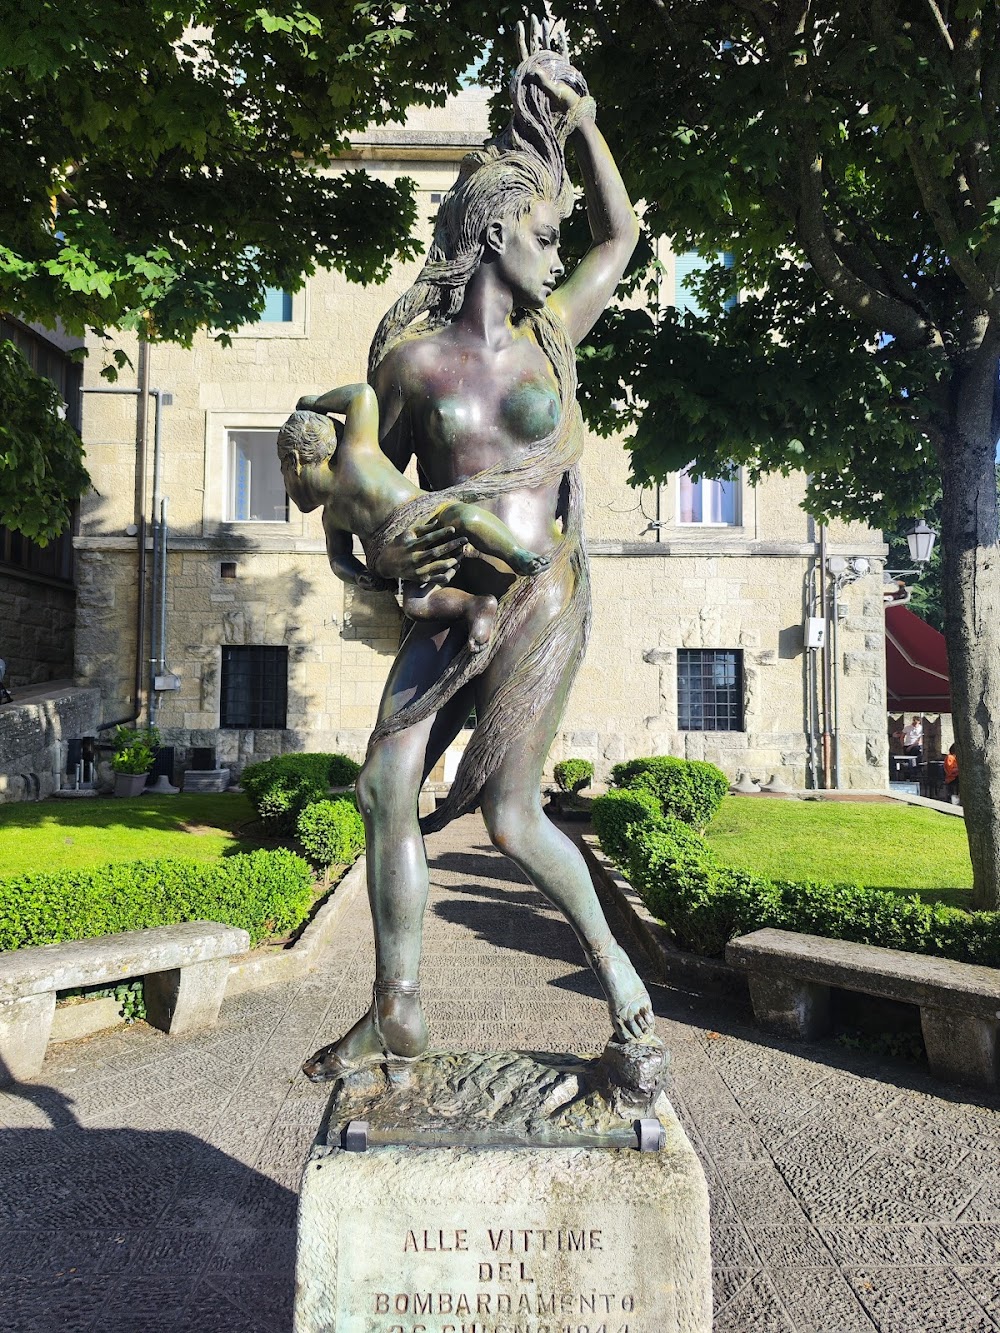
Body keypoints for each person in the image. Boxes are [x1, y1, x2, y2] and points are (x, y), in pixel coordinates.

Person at [304, 19, 655, 1081]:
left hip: (542, 596)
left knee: (508, 814)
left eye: (555, 237)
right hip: (449, 599)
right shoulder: (410, 368)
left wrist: (585, 124)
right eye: (540, 234)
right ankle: (397, 1009)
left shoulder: (555, 334)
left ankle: (628, 997)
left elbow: (621, 237)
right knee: (382, 784)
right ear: (496, 233)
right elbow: (359, 502)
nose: (555, 251)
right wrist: (378, 563)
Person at [277, 386, 549, 653]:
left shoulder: (355, 453)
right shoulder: (331, 518)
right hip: (410, 557)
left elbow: (361, 395)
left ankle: (515, 553)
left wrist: (316, 403)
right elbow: (339, 559)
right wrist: (359, 575)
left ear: (294, 462)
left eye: (282, 472)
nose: (284, 484)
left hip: (428, 516)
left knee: (465, 517)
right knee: (417, 605)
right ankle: (475, 606)